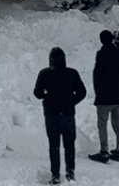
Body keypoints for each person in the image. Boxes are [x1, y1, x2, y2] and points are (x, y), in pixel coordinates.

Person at [33, 46, 86, 185]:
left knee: (54, 146)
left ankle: (55, 175)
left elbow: (37, 93)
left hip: (51, 115)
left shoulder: (44, 74)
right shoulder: (72, 73)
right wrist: (71, 102)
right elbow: (82, 92)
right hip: (68, 115)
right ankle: (70, 173)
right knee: (69, 145)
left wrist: (47, 96)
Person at [90, 30, 119, 163]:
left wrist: (97, 89)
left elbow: (97, 73)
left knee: (102, 124)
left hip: (104, 95)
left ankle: (104, 150)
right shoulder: (118, 53)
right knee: (118, 122)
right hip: (117, 93)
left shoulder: (101, 54)